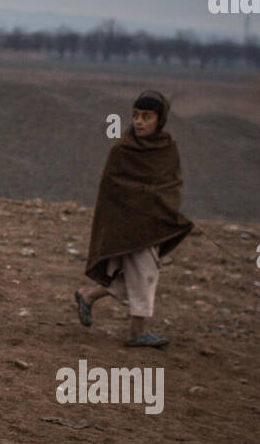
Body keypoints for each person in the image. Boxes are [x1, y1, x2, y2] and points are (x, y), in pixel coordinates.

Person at [75, 90, 194, 347]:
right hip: (127, 223)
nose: (139, 121)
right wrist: (141, 198)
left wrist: (159, 203)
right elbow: (112, 187)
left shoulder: (167, 149)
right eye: (136, 116)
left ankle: (89, 295)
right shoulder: (123, 149)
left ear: (159, 120)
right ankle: (137, 331)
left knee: (142, 274)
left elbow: (172, 184)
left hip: (153, 222)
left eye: (147, 117)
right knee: (145, 273)